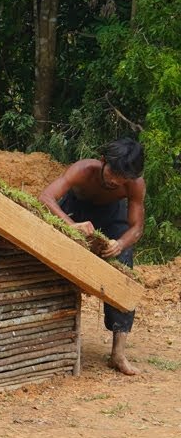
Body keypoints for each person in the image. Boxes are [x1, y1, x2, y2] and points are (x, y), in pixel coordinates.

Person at [39, 138, 146, 375]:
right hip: (74, 211)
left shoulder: (134, 184)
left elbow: (136, 227)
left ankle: (118, 353)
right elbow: (45, 197)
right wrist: (70, 225)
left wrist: (120, 243)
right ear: (103, 161)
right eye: (113, 173)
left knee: (123, 269)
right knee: (56, 261)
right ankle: (51, 333)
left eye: (122, 178)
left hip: (112, 219)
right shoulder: (83, 170)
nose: (115, 181)